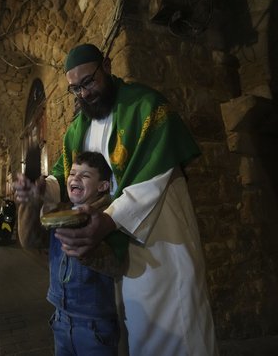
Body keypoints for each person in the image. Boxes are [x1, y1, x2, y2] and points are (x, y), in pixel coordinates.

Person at [13, 43, 218, 355]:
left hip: (162, 241)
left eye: (89, 81)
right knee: (134, 336)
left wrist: (109, 219)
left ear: (107, 66)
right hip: (117, 250)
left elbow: (155, 171)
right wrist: (40, 189)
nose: (83, 93)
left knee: (177, 335)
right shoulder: (76, 129)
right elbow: (62, 174)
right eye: (75, 88)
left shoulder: (145, 106)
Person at [18, 151, 127, 356]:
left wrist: (86, 248)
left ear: (103, 185)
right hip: (60, 318)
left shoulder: (106, 219)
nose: (75, 178)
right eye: (72, 174)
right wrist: (30, 203)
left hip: (95, 326)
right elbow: (30, 240)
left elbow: (115, 264)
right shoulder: (59, 213)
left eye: (85, 175)